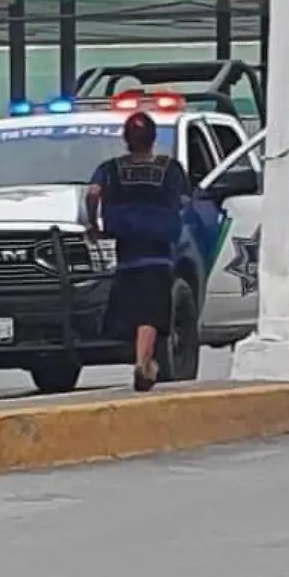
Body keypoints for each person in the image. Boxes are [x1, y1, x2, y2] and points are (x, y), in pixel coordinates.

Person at [85, 111, 190, 391]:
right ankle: (143, 362)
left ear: (125, 140)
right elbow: (184, 200)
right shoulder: (170, 169)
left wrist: (94, 224)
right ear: (154, 139)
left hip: (126, 252)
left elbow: (93, 192)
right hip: (158, 253)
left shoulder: (110, 168)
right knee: (150, 311)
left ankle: (142, 358)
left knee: (131, 308)